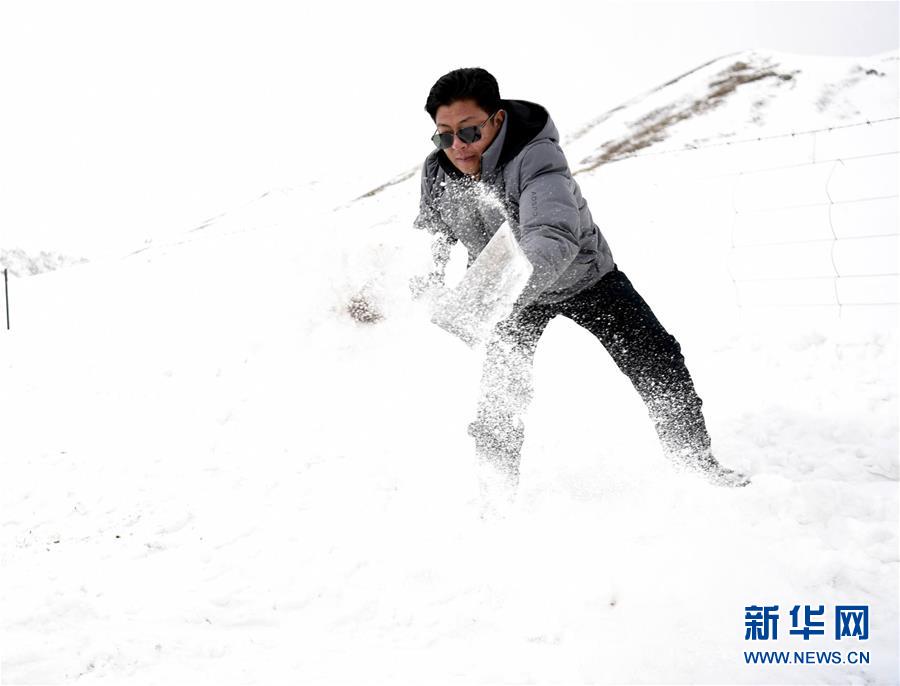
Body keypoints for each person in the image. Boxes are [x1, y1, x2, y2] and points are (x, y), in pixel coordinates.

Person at [411, 67, 750, 492]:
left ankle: (695, 465)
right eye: (444, 136)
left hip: (584, 277)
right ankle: (494, 497)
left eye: (469, 131)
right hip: (509, 296)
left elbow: (551, 237)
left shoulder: (535, 156)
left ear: (496, 120)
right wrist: (410, 291)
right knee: (501, 395)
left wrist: (486, 300)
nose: (457, 147)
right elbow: (431, 242)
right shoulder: (437, 173)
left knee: (656, 359)